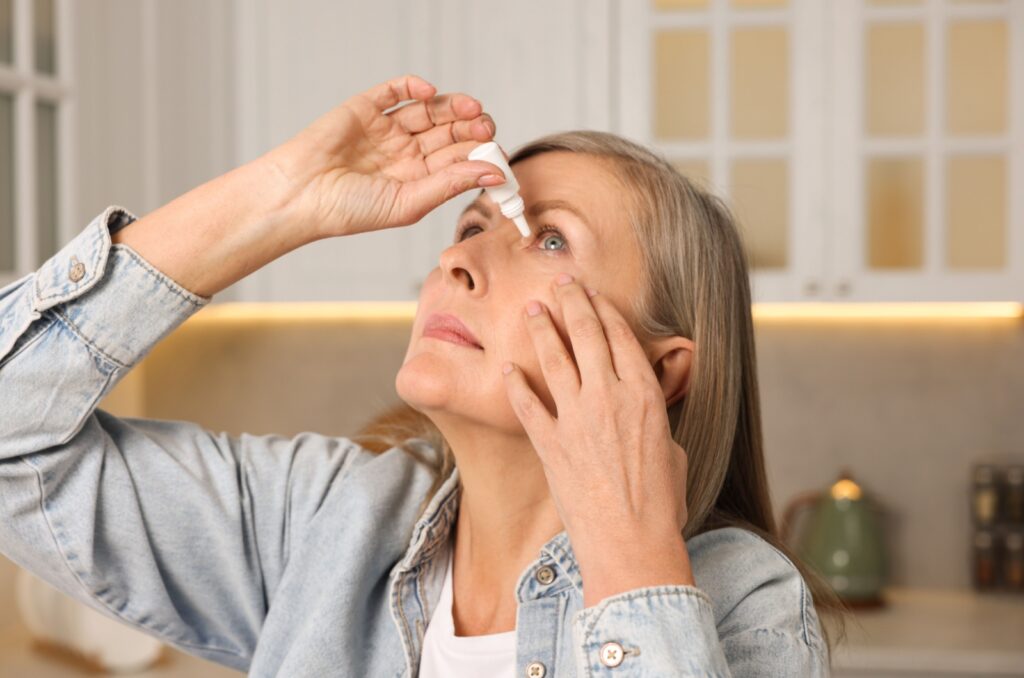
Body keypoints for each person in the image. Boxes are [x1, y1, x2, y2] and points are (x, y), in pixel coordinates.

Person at [0, 74, 847, 677]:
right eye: (473, 224)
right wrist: (280, 200)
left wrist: (631, 555)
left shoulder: (745, 604)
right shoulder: (326, 525)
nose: (458, 260)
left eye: (548, 238)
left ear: (661, 371)